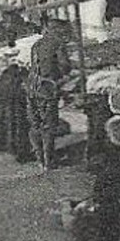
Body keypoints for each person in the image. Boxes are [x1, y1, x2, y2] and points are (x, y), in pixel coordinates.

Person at [26, 18, 72, 171]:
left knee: (35, 124)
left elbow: (36, 65)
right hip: (47, 89)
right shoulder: (58, 44)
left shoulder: (36, 44)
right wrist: (64, 75)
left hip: (32, 86)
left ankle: (40, 158)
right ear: (59, 31)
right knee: (49, 126)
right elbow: (65, 66)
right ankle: (49, 161)